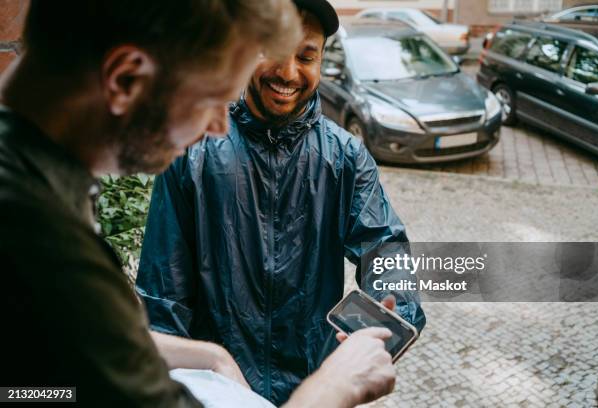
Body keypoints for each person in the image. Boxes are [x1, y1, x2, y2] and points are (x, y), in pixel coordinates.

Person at [0, 1, 397, 407]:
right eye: (209, 98)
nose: (217, 125)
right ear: (125, 79)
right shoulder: (43, 241)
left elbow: (44, 383)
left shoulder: (38, 195)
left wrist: (208, 356)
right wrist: (334, 388)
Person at [137, 0, 426, 405]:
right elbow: (163, 295)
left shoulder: (345, 157)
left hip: (315, 386)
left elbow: (385, 251)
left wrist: (390, 318)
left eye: (306, 56)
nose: (288, 72)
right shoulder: (192, 151)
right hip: (220, 391)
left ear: (321, 60)